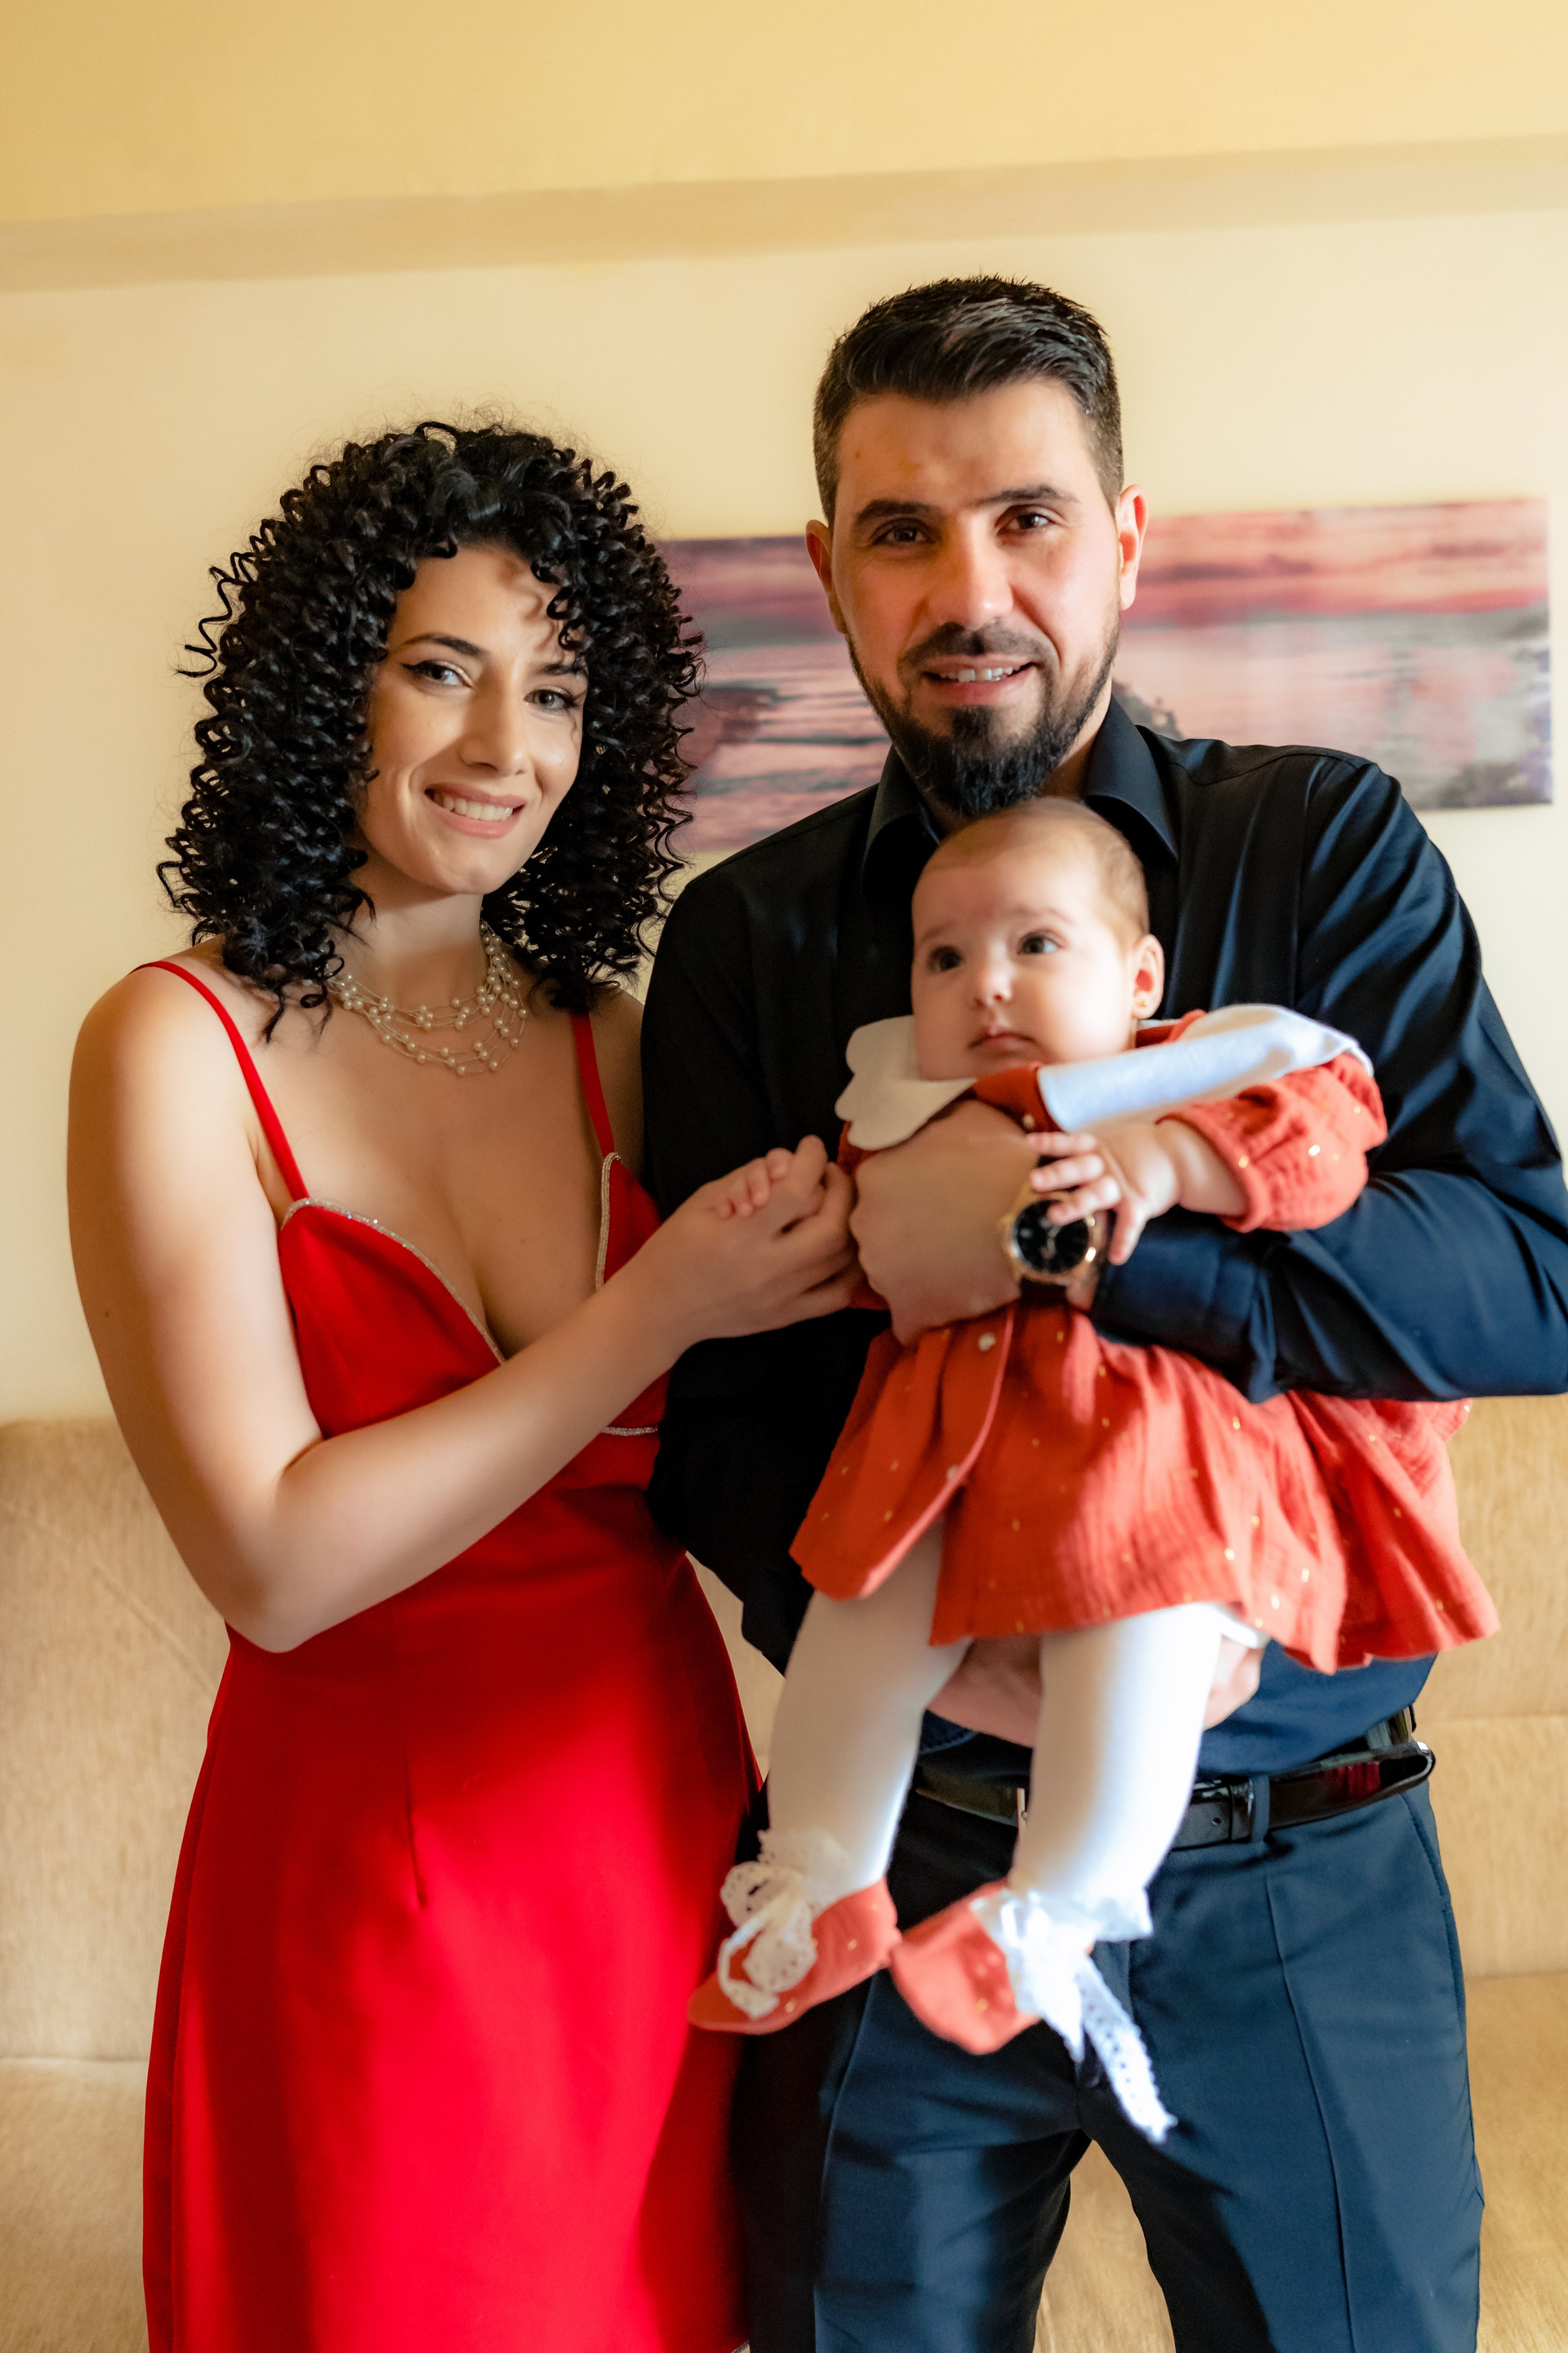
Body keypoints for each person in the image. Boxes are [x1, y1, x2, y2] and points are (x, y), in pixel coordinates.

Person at [642, 279, 1568, 2352]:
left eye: (1029, 519)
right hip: (901, 1855)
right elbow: (716, 1432)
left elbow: (1529, 1275)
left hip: (1301, 1873)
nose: (971, 589)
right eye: (904, 531)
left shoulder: (1317, 849)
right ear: (830, 567)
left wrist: (1069, 1245)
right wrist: (991, 1661)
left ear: (1126, 539)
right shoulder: (750, 940)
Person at [67, 421, 858, 2353]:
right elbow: (274, 1565)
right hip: (368, 1878)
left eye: (559, 690)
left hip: (663, 1837)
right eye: (443, 668)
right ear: (322, 683)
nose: (508, 742)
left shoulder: (616, 1038)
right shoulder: (172, 1047)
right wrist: (653, 1306)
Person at [685, 799, 1492, 2145]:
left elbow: (1323, 1136)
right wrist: (798, 1211)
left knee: (1143, 1632)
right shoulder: (904, 1104)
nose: (985, 983)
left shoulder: (1187, 1067)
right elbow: (847, 1248)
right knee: (854, 1621)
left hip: (1146, 1455)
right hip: (942, 1454)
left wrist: (1162, 1161)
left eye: (1034, 944)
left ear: (1139, 977)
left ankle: (1058, 1905)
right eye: (944, 958)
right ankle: (817, 1876)